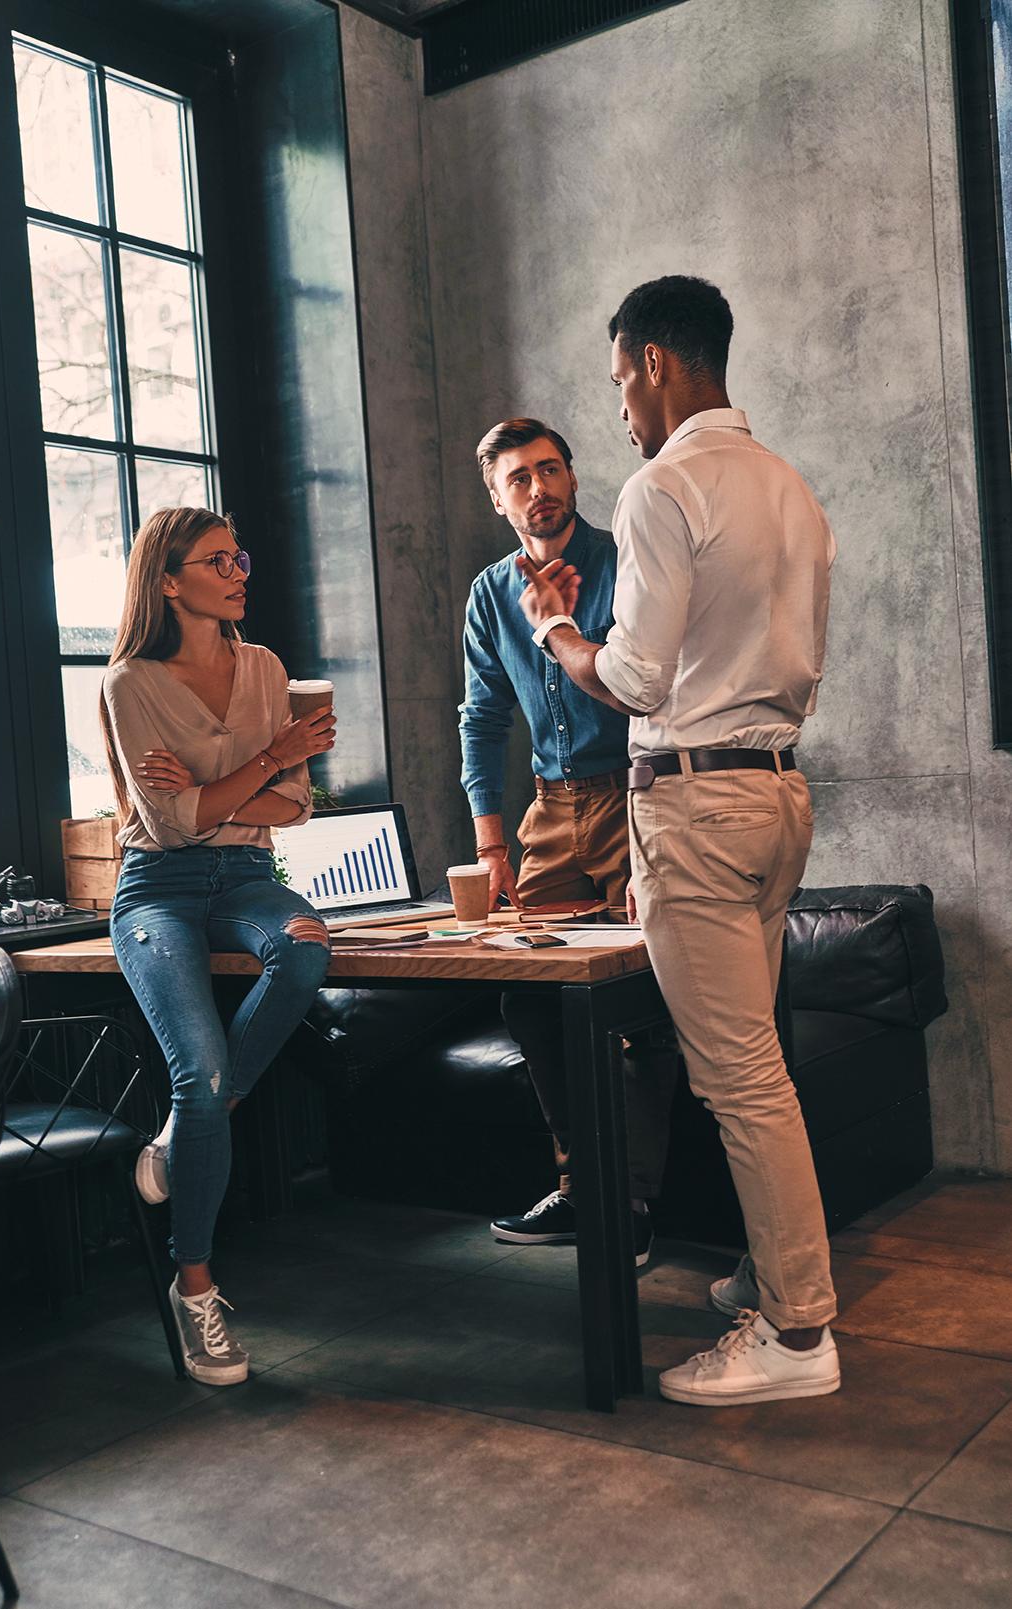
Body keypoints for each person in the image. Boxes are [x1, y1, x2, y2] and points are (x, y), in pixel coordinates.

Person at [515, 276, 840, 1406]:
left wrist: (558, 627)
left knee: (739, 1074)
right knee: (760, 1062)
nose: (617, 410)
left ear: (656, 360)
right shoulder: (789, 486)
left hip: (697, 805)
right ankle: (770, 1271)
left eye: (619, 381)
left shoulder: (664, 484)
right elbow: (792, 663)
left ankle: (798, 1334)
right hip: (778, 795)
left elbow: (639, 677)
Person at [101, 506, 335, 1387]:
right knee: (195, 1069)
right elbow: (166, 824)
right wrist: (265, 761)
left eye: (240, 555)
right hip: (154, 889)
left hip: (247, 879)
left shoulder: (266, 667)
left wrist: (212, 793)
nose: (241, 570)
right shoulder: (130, 683)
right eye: (218, 559)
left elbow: (297, 805)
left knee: (305, 946)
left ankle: (184, 1134)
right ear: (169, 581)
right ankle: (194, 1285)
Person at [460, 418, 675, 1264]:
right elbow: (482, 719)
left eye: (550, 469)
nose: (539, 487)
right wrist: (490, 842)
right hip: (547, 812)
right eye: (519, 477)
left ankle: (631, 1203)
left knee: (641, 1002)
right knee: (528, 991)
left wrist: (650, 831)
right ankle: (582, 1187)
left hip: (635, 794)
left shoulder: (624, 557)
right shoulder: (488, 594)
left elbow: (654, 693)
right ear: (498, 495)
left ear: (574, 477)